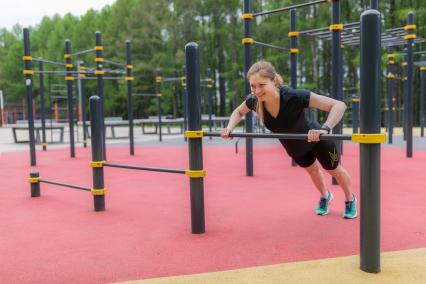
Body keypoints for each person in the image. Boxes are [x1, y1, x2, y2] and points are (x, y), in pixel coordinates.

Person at [220, 60, 357, 219]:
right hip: (294, 146)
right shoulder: (254, 101)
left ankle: (350, 199)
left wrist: (325, 128)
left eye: (261, 85)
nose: (256, 90)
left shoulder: (293, 96)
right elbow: (238, 112)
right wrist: (230, 128)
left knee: (335, 171)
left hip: (316, 139)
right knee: (312, 171)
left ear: (273, 81)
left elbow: (339, 105)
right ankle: (325, 196)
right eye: (252, 86)